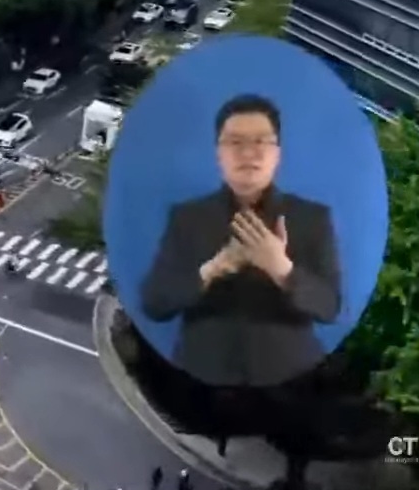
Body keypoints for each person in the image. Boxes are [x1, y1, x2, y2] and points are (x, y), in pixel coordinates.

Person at [138, 93, 342, 387]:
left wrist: (282, 268)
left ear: (278, 153)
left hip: (290, 387)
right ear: (218, 153)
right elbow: (154, 304)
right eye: (235, 142)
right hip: (200, 384)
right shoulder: (187, 217)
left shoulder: (313, 218)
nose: (249, 153)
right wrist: (212, 270)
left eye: (261, 142)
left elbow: (330, 308)